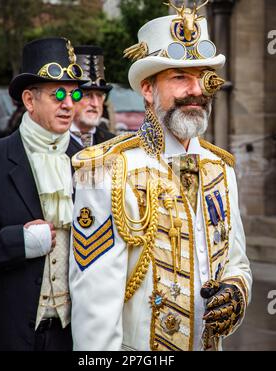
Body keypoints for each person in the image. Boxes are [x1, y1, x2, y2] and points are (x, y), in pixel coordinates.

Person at [69, 1, 252, 351]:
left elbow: (236, 261)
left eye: (202, 77)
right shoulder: (103, 170)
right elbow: (95, 308)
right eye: (180, 78)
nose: (196, 90)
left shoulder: (221, 168)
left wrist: (235, 291)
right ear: (149, 90)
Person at [0, 37, 88, 351]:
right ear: (29, 100)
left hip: (70, 335)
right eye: (58, 95)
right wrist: (15, 243)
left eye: (74, 93)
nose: (69, 104)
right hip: (5, 334)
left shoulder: (89, 164)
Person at [69, 45, 115, 152]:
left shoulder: (112, 143)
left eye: (99, 96)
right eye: (88, 95)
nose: (95, 104)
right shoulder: (55, 141)